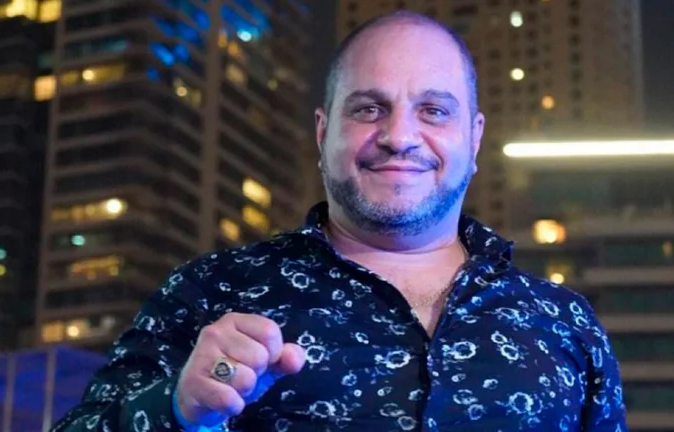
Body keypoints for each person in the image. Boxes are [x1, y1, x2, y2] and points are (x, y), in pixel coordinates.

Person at [52, 10, 627, 432]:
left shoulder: (565, 322)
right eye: (369, 108)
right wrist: (178, 408)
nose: (399, 136)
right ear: (324, 132)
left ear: (473, 139)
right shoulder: (211, 291)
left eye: (433, 110)